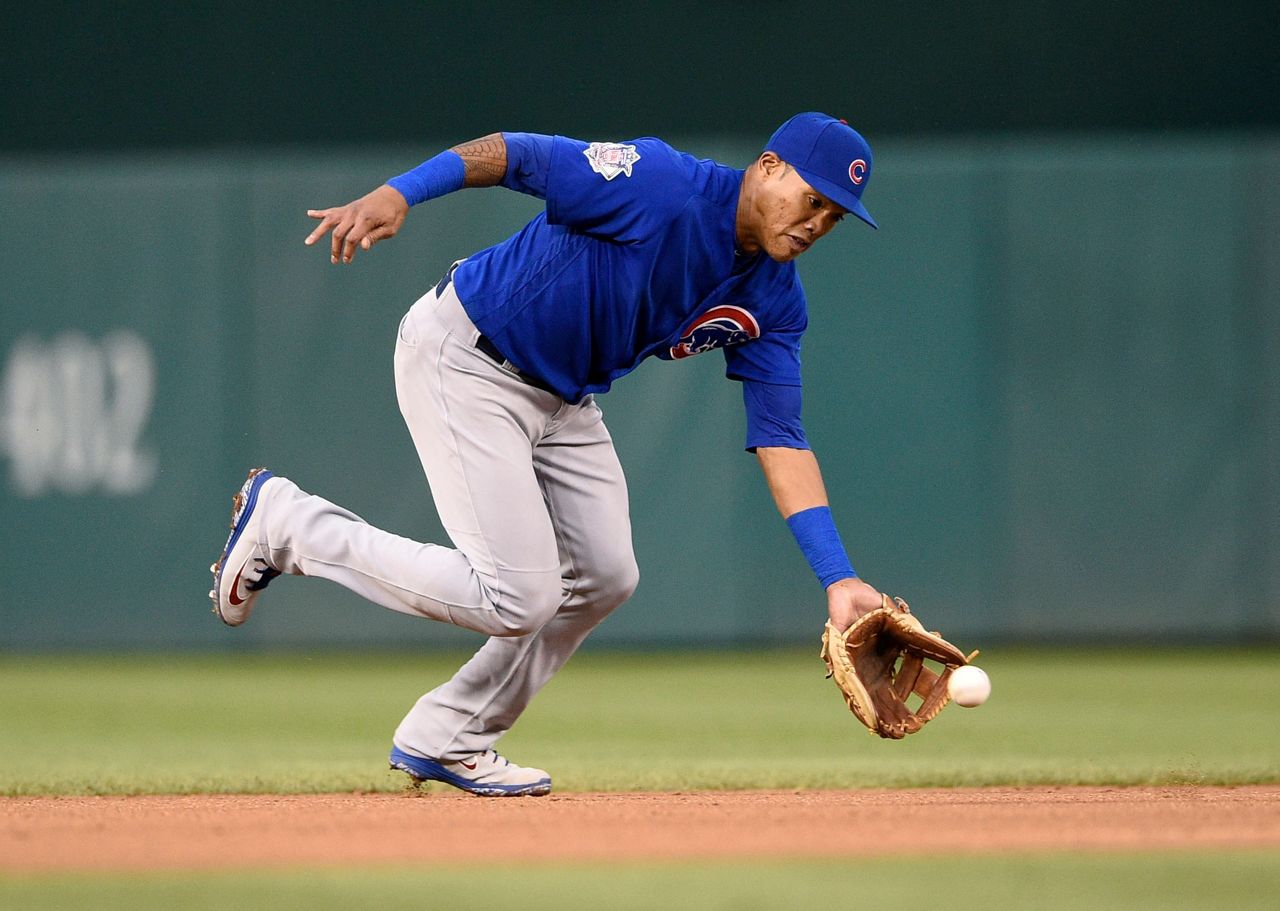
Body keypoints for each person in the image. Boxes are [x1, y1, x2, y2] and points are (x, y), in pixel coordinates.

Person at [209, 113, 887, 797]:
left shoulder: (774, 297)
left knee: (606, 574)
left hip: (563, 397)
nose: (818, 223)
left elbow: (782, 437)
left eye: (834, 215)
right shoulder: (661, 184)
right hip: (468, 354)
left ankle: (451, 734)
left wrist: (838, 577)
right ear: (769, 168)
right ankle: (287, 525)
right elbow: (516, 154)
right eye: (814, 199)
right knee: (517, 596)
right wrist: (402, 191)